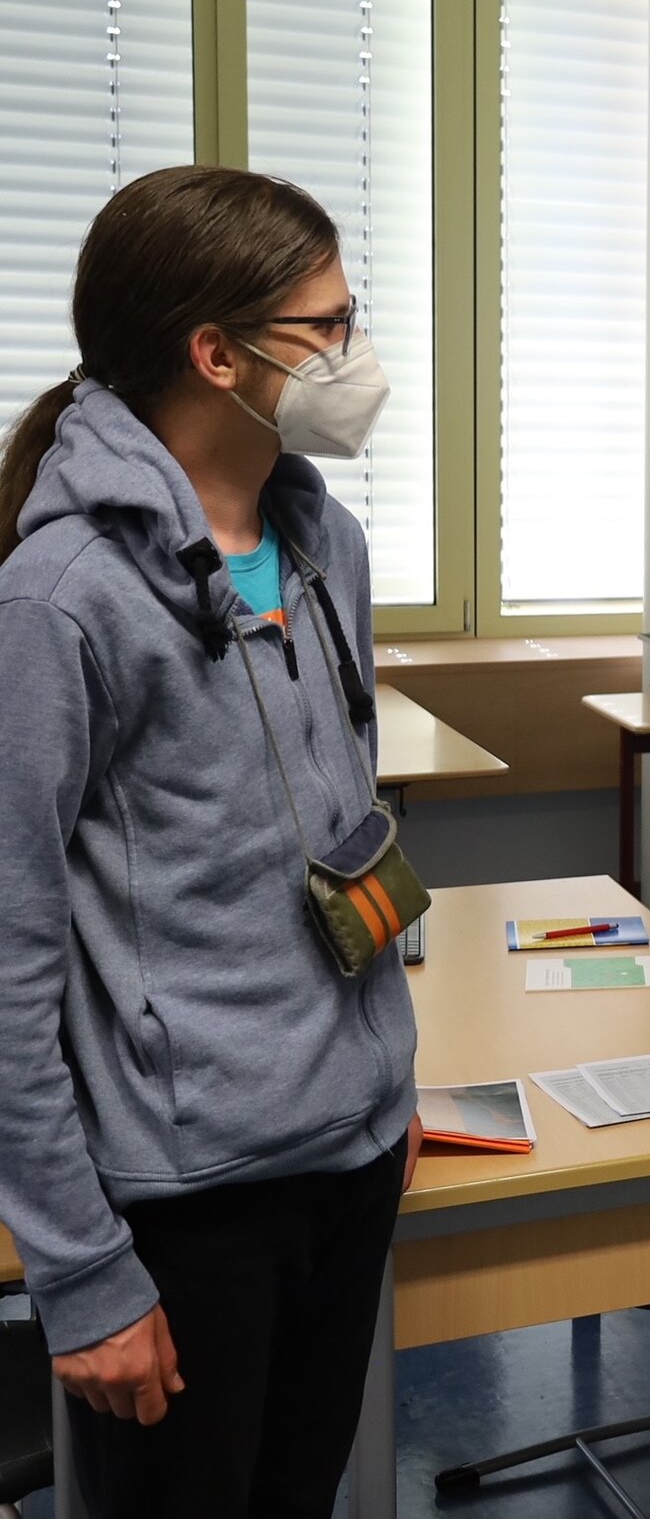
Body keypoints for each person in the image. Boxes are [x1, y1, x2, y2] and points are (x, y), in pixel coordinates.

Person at [0, 165, 421, 1517]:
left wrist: (384, 1084)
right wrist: (79, 1270)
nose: (355, 358)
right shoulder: (61, 600)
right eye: (329, 327)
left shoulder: (321, 541)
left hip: (346, 1154)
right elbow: (6, 964)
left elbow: (342, 829)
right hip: (188, 1200)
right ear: (216, 353)